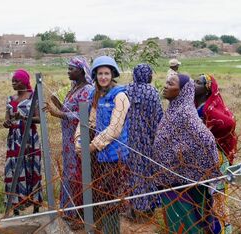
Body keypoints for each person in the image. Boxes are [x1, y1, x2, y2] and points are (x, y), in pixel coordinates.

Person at [153, 74, 221, 233]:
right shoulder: (174, 109)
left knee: (186, 222)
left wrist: (196, 163)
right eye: (166, 83)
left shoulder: (185, 113)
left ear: (182, 90)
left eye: (170, 84)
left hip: (182, 181)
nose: (166, 86)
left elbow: (206, 140)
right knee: (176, 221)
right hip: (170, 178)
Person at [75, 55, 130, 234]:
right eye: (100, 74)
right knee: (99, 193)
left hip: (115, 154)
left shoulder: (120, 96)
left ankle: (112, 230)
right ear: (95, 75)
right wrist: (79, 140)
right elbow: (88, 121)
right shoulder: (96, 94)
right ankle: (101, 228)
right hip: (100, 154)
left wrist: (91, 146)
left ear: (112, 74)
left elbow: (114, 128)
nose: (103, 77)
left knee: (112, 198)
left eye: (107, 73)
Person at [43, 56, 94, 226]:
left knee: (77, 174)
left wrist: (58, 113)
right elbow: (69, 110)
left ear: (81, 71)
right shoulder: (74, 88)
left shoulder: (87, 90)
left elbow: (83, 116)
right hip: (67, 139)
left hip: (78, 138)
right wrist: (57, 103)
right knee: (69, 173)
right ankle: (70, 210)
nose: (68, 71)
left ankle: (79, 215)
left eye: (71, 68)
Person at [194, 73, 237, 233]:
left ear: (207, 89)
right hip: (202, 158)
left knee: (218, 196)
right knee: (206, 196)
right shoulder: (197, 103)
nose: (194, 84)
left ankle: (224, 230)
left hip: (216, 158)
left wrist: (210, 136)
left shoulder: (209, 108)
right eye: (194, 81)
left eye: (198, 82)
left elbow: (229, 123)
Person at [125, 63, 163, 219]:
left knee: (132, 173)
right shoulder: (153, 92)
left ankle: (134, 208)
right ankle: (148, 207)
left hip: (128, 138)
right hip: (147, 139)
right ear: (148, 76)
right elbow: (159, 116)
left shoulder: (126, 90)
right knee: (148, 172)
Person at [3, 69, 42, 216]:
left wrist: (25, 117)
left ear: (24, 82)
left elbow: (39, 119)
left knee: (32, 168)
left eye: (16, 81)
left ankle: (36, 206)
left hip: (30, 138)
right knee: (14, 170)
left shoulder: (33, 97)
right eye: (12, 81)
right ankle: (16, 207)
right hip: (14, 139)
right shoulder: (10, 99)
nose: (13, 83)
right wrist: (6, 123)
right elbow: (7, 118)